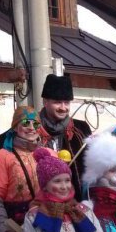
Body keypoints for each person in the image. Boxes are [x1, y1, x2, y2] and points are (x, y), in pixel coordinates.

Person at [37, 74, 92, 202]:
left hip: (77, 204)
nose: (63, 107)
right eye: (57, 102)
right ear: (45, 102)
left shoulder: (81, 129)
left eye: (66, 102)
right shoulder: (30, 129)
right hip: (41, 205)